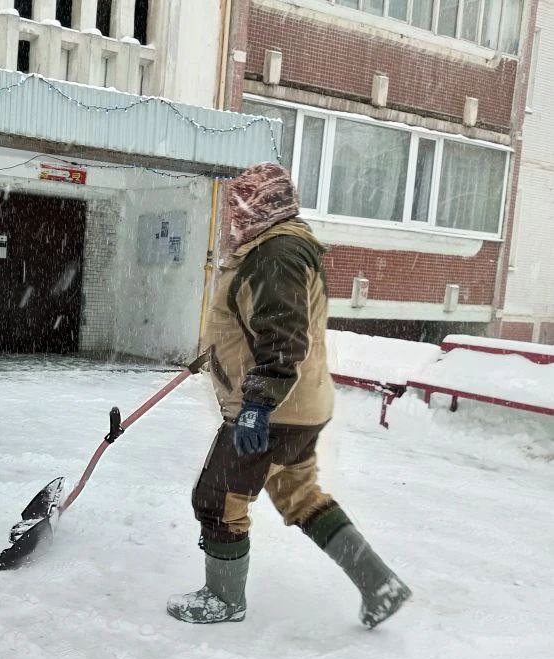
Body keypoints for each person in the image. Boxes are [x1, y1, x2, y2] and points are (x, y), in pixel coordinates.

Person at [167, 162, 411, 628]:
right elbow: (262, 323)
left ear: (262, 205)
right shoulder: (273, 248)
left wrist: (257, 405)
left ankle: (224, 599)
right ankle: (378, 583)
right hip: (300, 405)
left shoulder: (276, 253)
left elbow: (283, 337)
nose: (232, 217)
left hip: (273, 409)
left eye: (239, 206)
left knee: (218, 498)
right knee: (299, 495)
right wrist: (220, 352)